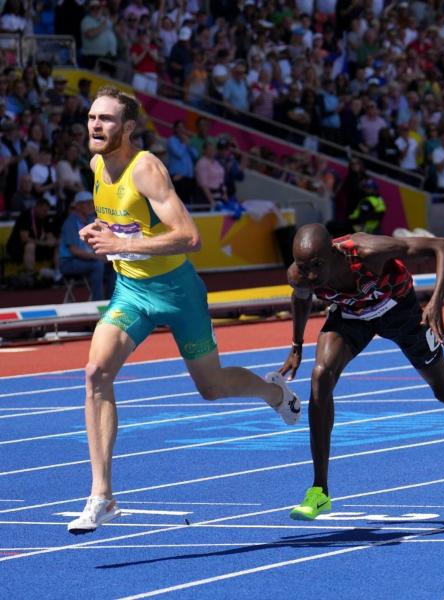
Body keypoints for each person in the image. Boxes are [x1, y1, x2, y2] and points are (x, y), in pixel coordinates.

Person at [67, 87, 301, 535]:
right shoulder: (97, 164)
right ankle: (102, 496)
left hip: (177, 291)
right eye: (93, 117)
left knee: (210, 388)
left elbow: (190, 235)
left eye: (107, 120)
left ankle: (274, 393)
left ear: (128, 128)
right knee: (96, 373)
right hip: (131, 290)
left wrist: (122, 243)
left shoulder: (146, 170)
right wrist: (102, 232)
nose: (96, 125)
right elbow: (125, 224)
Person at [276, 224, 444, 519]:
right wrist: (296, 345)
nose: (312, 275)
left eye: (317, 266)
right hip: (353, 317)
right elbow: (302, 296)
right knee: (320, 377)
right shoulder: (301, 274)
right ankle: (319, 491)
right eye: (305, 268)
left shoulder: (368, 251)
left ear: (332, 251)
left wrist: (436, 302)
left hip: (401, 312)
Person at [58, 190, 115, 301]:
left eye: (91, 202)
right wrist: (97, 257)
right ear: (78, 206)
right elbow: (75, 251)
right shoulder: (70, 223)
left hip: (88, 259)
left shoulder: (92, 220)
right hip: (69, 262)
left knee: (114, 265)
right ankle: (98, 301)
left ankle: (112, 301)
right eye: (86, 203)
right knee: (97, 265)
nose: (91, 205)